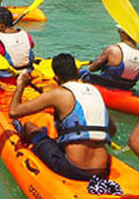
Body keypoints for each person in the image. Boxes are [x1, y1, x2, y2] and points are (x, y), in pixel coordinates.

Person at [9, 53, 118, 184]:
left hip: (72, 168)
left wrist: (21, 84)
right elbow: (112, 130)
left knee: (29, 127)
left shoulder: (58, 94)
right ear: (77, 71)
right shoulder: (95, 91)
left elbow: (14, 111)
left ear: (56, 78)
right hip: (101, 169)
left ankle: (28, 154)